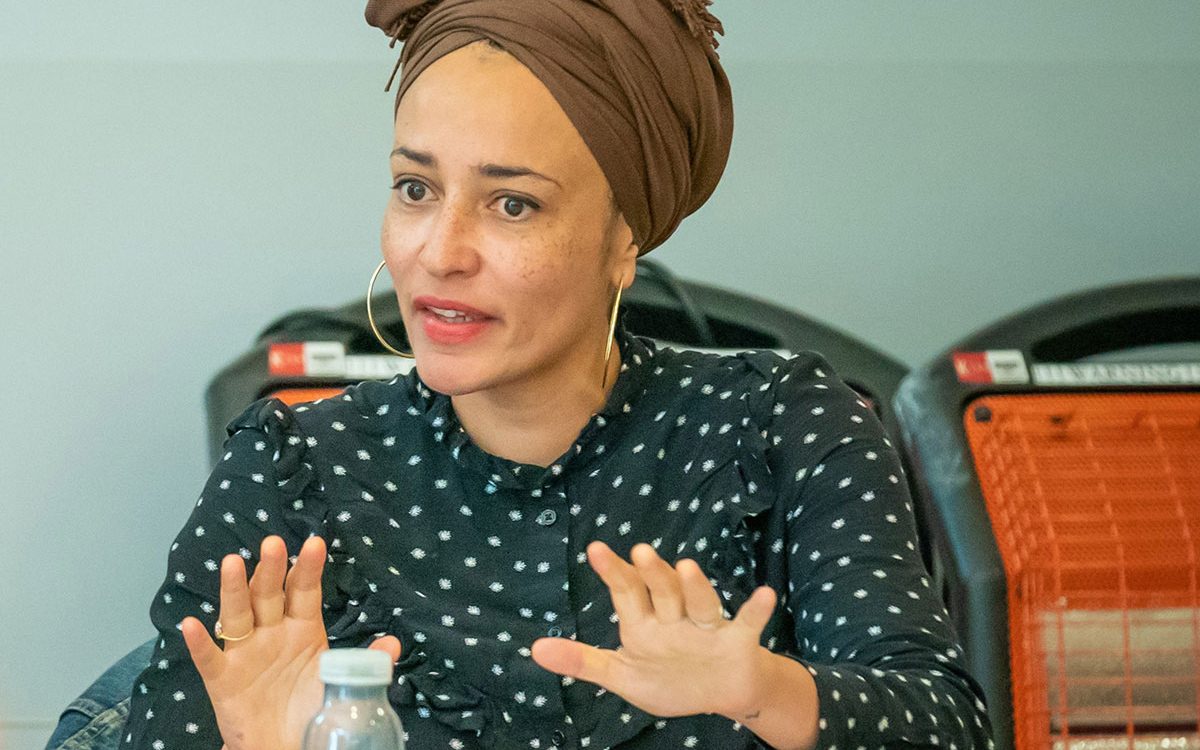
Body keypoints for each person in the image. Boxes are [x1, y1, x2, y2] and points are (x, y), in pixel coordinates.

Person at [120, 1, 994, 749]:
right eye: (415, 189)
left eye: (513, 203)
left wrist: (764, 689)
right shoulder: (292, 465)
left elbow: (947, 722)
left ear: (627, 240)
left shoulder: (787, 423)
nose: (441, 252)